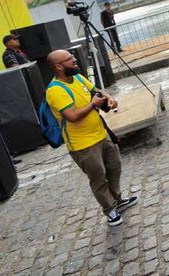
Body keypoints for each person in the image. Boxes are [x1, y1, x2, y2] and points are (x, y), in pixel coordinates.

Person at [44, 50, 137, 226]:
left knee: (115, 167)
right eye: (69, 59)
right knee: (98, 178)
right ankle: (110, 210)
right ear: (58, 66)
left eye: (73, 57)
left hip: (101, 134)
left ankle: (117, 200)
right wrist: (93, 104)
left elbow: (97, 91)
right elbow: (72, 116)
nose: (74, 60)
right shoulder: (55, 90)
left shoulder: (78, 77)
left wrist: (108, 97)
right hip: (83, 145)